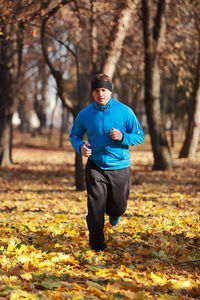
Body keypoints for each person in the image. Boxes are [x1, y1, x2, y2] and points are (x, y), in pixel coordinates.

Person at [69, 73, 144, 252]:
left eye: (103, 90)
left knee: (118, 207)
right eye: (96, 91)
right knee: (95, 210)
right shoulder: (85, 114)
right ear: (92, 93)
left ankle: (115, 214)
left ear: (110, 91)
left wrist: (123, 137)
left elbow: (139, 136)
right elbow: (74, 135)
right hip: (95, 166)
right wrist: (80, 147)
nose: (100, 94)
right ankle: (97, 247)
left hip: (120, 167)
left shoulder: (125, 111)